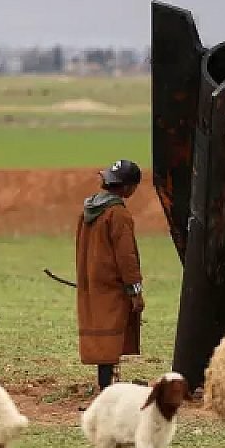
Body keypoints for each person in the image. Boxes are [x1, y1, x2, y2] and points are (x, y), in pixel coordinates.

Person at [75, 159, 146, 392]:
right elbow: (127, 257)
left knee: (102, 332)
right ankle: (107, 387)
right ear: (127, 187)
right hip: (112, 285)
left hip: (92, 281)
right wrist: (135, 291)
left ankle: (106, 382)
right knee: (111, 334)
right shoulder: (118, 214)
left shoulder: (88, 210)